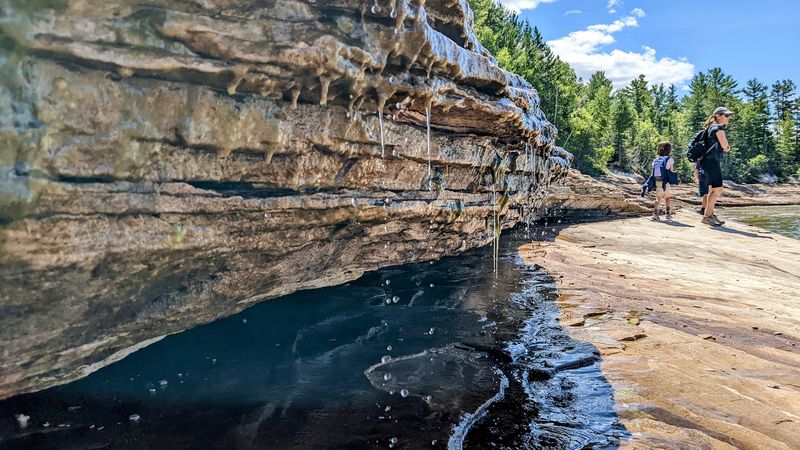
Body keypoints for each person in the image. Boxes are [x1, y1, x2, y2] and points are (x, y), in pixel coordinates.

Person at [699, 107, 732, 226]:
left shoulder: (710, 127)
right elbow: (725, 146)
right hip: (712, 162)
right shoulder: (718, 129)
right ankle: (707, 216)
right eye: (726, 115)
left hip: (706, 162)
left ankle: (710, 214)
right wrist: (728, 148)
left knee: (712, 190)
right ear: (719, 116)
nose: (728, 118)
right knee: (717, 189)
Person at [651, 141, 676, 221]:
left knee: (658, 197)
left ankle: (655, 214)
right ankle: (668, 214)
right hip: (666, 181)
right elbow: (671, 170)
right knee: (667, 197)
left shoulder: (656, 159)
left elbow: (652, 171)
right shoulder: (670, 159)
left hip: (658, 180)